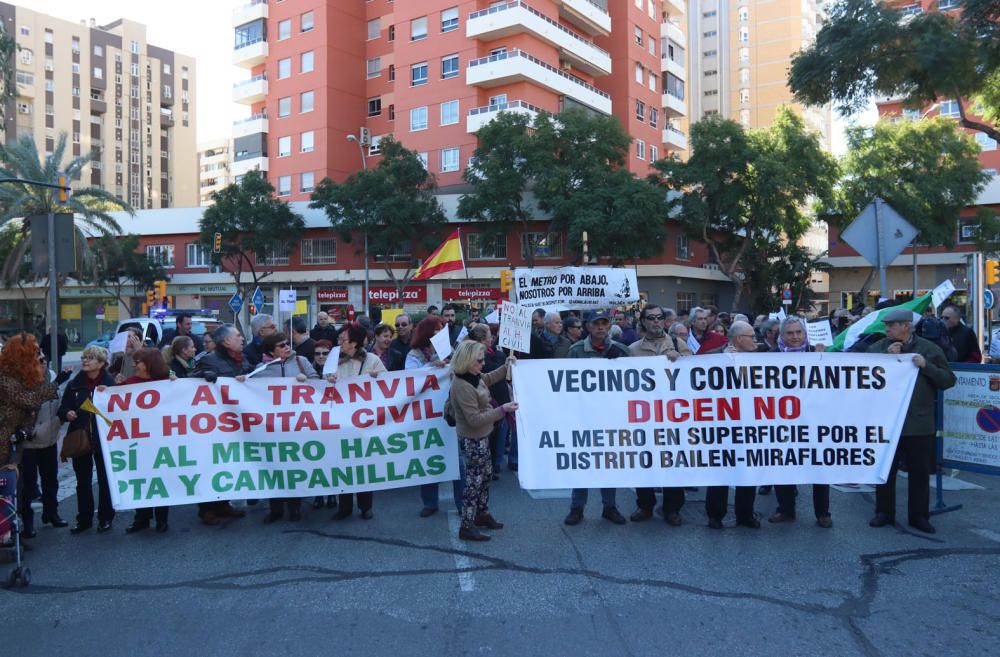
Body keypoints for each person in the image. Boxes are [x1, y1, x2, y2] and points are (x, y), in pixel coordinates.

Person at [868, 308, 956, 533]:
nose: (886, 329)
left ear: (906, 326)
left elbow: (948, 380)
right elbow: (864, 376)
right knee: (885, 471)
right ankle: (884, 512)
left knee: (919, 472)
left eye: (892, 325)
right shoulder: (878, 348)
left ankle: (919, 516)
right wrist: (885, 359)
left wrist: (927, 366)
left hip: (919, 422)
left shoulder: (929, 349)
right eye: (886, 325)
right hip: (887, 422)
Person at [766, 316, 833, 528]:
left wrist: (823, 361)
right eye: (790, 333)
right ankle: (785, 509)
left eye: (799, 332)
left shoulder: (818, 355)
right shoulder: (769, 357)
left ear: (805, 334)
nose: (795, 337)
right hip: (782, 420)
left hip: (814, 419)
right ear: (782, 336)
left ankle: (823, 513)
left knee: (819, 466)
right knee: (783, 464)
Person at [448, 340, 518, 541]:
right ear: (467, 361)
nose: (482, 363)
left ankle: (482, 514)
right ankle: (467, 524)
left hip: (483, 436)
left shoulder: (473, 376)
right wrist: (502, 410)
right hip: (473, 439)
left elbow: (487, 378)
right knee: (473, 483)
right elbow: (474, 420)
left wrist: (506, 366)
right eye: (479, 360)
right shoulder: (461, 385)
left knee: (485, 477)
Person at [565, 310, 630, 526]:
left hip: (611, 416)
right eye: (596, 324)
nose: (601, 327)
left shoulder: (621, 350)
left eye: (605, 323)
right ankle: (577, 508)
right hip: (584, 416)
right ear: (588, 327)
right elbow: (565, 381)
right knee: (582, 461)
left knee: (608, 462)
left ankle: (609, 506)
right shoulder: (576, 351)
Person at [628, 305, 691, 523]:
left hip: (673, 415)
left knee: (672, 462)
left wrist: (680, 359)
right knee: (644, 460)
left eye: (659, 318)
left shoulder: (678, 344)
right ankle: (645, 505)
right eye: (651, 318)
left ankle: (672, 508)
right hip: (644, 415)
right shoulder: (633, 349)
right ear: (643, 321)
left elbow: (695, 376)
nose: (656, 321)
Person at [254, 332, 322, 524]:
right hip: (273, 427)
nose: (287, 347)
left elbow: (318, 383)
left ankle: (295, 508)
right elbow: (251, 394)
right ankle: (275, 509)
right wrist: (242, 381)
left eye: (287, 344)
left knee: (294, 467)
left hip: (298, 424)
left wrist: (306, 380)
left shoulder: (301, 361)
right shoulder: (261, 369)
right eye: (281, 345)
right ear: (271, 351)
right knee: (274, 467)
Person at [0, 334, 59, 545]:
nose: (38, 353)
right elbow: (27, 401)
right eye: (34, 349)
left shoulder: (26, 375)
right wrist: (53, 386)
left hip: (16, 441)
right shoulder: (5, 379)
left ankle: (13, 532)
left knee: (16, 488)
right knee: (9, 487)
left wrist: (24, 432)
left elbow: (30, 412)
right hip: (2, 440)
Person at [191, 324, 251, 525]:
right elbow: (191, 383)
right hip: (214, 423)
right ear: (226, 341)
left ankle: (223, 504)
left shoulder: (241, 359)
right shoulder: (209, 360)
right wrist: (207, 378)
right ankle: (206, 508)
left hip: (234, 422)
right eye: (237, 335)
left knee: (228, 463)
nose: (242, 338)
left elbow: (252, 376)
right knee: (211, 464)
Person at [705, 322, 761, 529]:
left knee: (748, 469)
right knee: (720, 470)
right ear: (738, 339)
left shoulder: (763, 358)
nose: (755, 340)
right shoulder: (712, 357)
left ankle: (745, 515)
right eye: (751, 336)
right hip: (721, 423)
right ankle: (715, 515)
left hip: (750, 423)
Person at [405, 316, 462, 516]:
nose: (440, 333)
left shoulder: (451, 352)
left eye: (441, 329)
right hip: (425, 414)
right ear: (427, 333)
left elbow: (462, 370)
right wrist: (431, 367)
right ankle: (430, 503)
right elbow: (409, 379)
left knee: (457, 459)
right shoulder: (415, 354)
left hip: (449, 411)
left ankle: (463, 504)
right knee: (429, 457)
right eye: (436, 330)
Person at [58, 345, 116, 534]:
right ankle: (84, 519)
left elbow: (120, 410)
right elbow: (62, 408)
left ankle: (105, 517)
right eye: (84, 357)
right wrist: (67, 413)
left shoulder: (110, 383)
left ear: (101, 363)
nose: (84, 360)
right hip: (81, 437)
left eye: (90, 358)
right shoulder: (75, 383)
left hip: (104, 439)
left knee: (105, 479)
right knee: (82, 481)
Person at [334, 323, 387, 520]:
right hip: (339, 421)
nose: (339, 342)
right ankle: (344, 506)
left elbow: (390, 386)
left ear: (354, 343)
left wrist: (378, 378)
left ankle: (366, 506)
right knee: (342, 464)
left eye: (343, 339)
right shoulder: (334, 360)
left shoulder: (372, 360)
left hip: (364, 420)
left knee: (364, 464)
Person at [121, 348, 173, 534]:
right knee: (141, 478)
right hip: (139, 441)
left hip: (161, 440)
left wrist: (175, 381)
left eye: (138, 361)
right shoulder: (130, 383)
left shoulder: (167, 381)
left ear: (150, 363)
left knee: (160, 479)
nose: (135, 365)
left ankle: (161, 519)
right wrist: (106, 391)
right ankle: (141, 518)